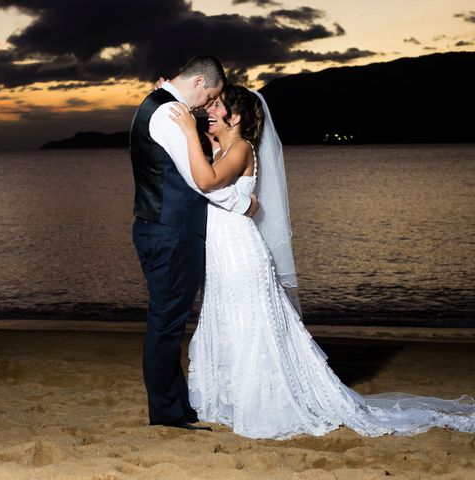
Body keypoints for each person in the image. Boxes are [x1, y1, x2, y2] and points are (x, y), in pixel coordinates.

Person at [169, 84, 475, 439]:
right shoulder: (220, 146)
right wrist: (175, 98)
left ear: (234, 117)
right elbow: (196, 168)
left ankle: (263, 402)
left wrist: (190, 131)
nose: (208, 110)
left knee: (252, 325)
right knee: (226, 319)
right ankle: (229, 399)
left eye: (217, 105)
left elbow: (205, 181)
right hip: (221, 255)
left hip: (241, 254)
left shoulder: (240, 149)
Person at [129, 56, 259, 430]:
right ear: (201, 81)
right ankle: (168, 415)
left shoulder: (159, 106)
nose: (207, 107)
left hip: (162, 228)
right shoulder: (170, 113)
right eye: (212, 95)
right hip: (171, 232)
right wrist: (244, 203)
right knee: (166, 325)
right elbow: (200, 181)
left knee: (167, 322)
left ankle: (177, 407)